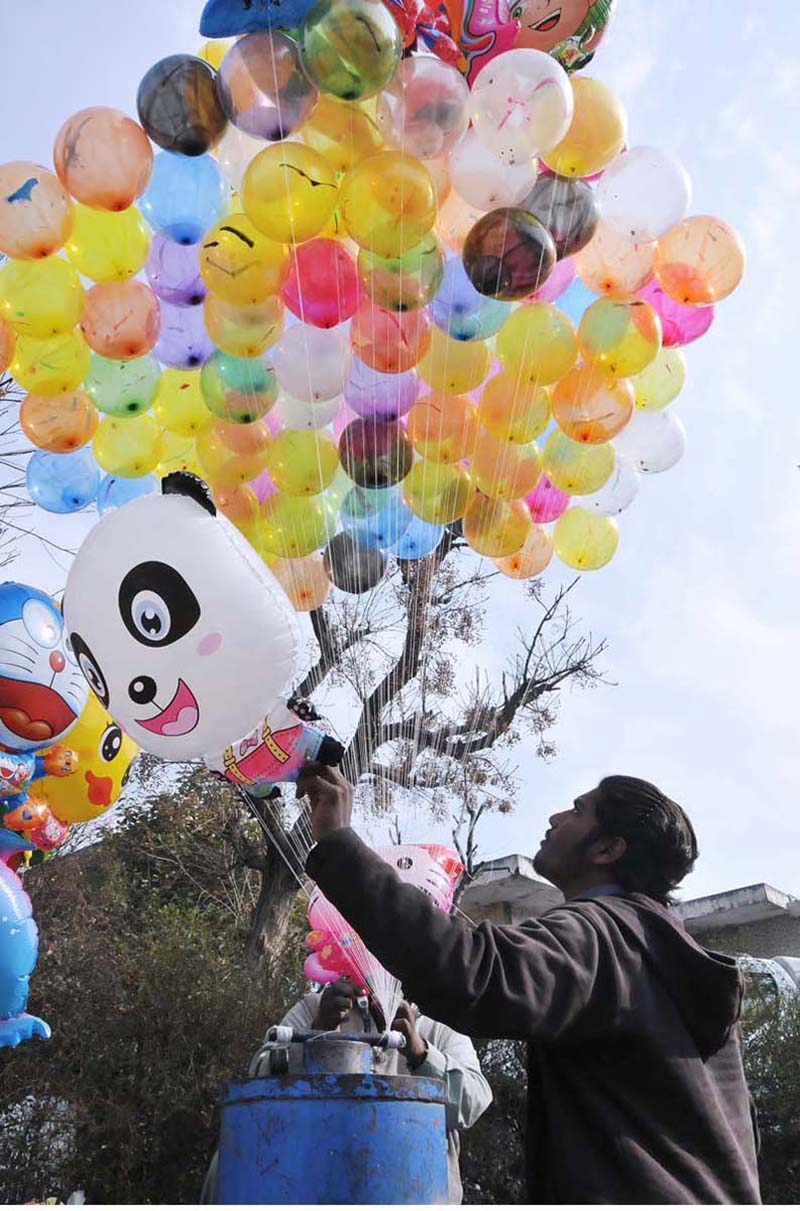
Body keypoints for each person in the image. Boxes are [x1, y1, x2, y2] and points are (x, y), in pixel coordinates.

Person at [298, 765, 762, 1205]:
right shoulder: (668, 954)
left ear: (608, 849)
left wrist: (338, 842)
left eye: (578, 810)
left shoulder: (603, 936)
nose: (556, 816)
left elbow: (472, 972)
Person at [200, 977, 491, 1204]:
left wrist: (421, 1053)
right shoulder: (314, 1009)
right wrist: (315, 1033)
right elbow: (259, 1079)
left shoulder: (438, 1026)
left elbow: (474, 1102)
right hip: (311, 1189)